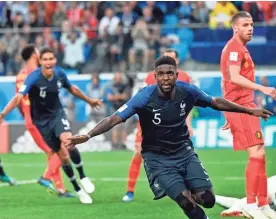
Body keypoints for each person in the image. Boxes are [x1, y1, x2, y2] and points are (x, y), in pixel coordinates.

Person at [66, 56, 272, 218]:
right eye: (161, 74)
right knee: (186, 203)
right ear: (155, 76)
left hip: (184, 152)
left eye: (170, 73)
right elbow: (115, 118)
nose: (166, 78)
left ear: (176, 74)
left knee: (208, 200)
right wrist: (89, 134)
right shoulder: (144, 96)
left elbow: (215, 102)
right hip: (157, 159)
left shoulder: (188, 91)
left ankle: (190, 187)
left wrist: (248, 110)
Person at [0, 47, 102, 204]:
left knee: (69, 141)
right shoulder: (32, 77)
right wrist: (3, 114)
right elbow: (18, 97)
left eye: (51, 59)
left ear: (55, 60)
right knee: (62, 156)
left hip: (57, 114)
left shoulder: (60, 73)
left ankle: (82, 176)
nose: (48, 62)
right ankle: (77, 188)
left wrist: (89, 100)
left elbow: (72, 88)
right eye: (45, 59)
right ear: (40, 61)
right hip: (41, 122)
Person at [220, 11, 276, 218]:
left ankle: (263, 203)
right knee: (256, 154)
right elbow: (233, 77)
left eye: (251, 24)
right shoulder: (234, 49)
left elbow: (223, 79)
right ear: (235, 28)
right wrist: (263, 89)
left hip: (246, 106)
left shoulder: (240, 48)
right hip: (241, 107)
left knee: (261, 154)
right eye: (245, 25)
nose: (250, 28)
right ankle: (251, 204)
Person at [122, 49, 193, 202]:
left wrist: (189, 124)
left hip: (175, 125)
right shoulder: (150, 77)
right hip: (150, 124)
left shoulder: (185, 78)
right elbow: (144, 101)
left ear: (177, 62)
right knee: (139, 153)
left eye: (171, 59)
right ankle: (129, 191)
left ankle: (186, 188)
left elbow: (188, 104)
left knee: (183, 155)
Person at [16, 44, 73, 197]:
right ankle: (47, 178)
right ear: (35, 55)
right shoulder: (35, 74)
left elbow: (19, 102)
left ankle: (59, 188)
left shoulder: (21, 75)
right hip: (39, 119)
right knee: (59, 150)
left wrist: (26, 118)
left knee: (53, 152)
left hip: (32, 119)